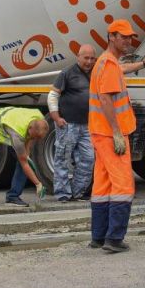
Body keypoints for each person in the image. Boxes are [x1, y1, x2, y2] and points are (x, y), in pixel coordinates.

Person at [88, 20, 145, 253]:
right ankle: (114, 239)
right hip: (110, 135)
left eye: (130, 37)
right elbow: (106, 99)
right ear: (111, 37)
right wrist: (117, 132)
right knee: (123, 184)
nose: (129, 40)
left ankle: (98, 237)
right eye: (124, 37)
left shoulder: (106, 63)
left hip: (100, 132)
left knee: (103, 185)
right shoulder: (108, 64)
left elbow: (120, 70)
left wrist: (143, 63)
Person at [48, 44, 98, 202]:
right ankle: (62, 194)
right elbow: (53, 96)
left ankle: (78, 192)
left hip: (87, 125)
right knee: (62, 158)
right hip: (67, 124)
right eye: (86, 58)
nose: (89, 61)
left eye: (92, 58)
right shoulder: (67, 73)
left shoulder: (96, 73)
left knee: (88, 158)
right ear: (78, 57)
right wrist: (56, 117)